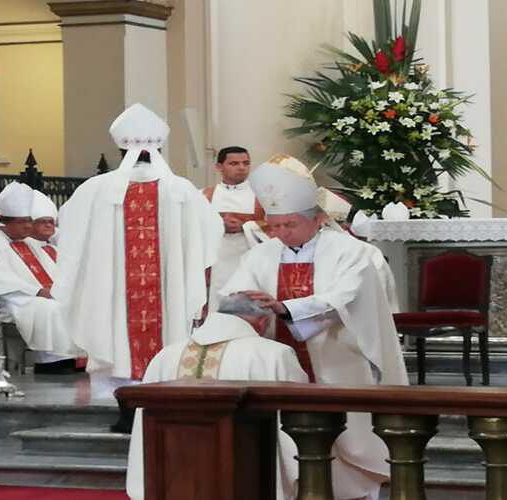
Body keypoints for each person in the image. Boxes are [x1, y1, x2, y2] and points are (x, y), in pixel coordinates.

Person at [220, 154, 407, 500]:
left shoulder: (351, 253)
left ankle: (353, 492)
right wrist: (246, 305)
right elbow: (231, 296)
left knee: (349, 438)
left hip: (340, 361)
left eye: (288, 225)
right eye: (273, 226)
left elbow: (344, 298)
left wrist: (285, 308)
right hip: (279, 368)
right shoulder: (260, 255)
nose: (278, 233)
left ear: (318, 218)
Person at [54, 103, 223, 431]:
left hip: (115, 292)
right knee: (168, 332)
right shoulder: (182, 190)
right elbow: (210, 235)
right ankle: (163, 402)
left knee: (113, 335)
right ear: (158, 148)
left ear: (120, 149)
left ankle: (118, 407)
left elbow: (70, 236)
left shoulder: (96, 190)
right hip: (168, 293)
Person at [125, 293, 308, 500]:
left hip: (175, 480)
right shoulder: (274, 355)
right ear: (262, 321)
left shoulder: (166, 356)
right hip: (248, 481)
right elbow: (299, 424)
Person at [0, 182, 78, 373]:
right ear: (4, 222)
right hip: (11, 298)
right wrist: (38, 291)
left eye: (30, 220)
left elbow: (55, 269)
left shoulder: (30, 242)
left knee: (72, 304)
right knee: (49, 309)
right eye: (23, 222)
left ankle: (75, 359)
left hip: (37, 295)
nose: (29, 226)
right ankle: (51, 362)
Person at [201, 146, 265, 306]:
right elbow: (191, 227)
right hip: (215, 263)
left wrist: (246, 226)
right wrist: (217, 225)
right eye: (234, 163)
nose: (242, 168)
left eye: (246, 163)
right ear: (219, 167)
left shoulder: (262, 197)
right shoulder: (203, 195)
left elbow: (277, 227)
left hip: (250, 261)